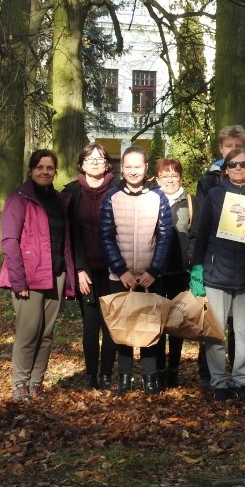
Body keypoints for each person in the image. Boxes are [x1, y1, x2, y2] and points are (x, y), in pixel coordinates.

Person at [190, 147, 245, 401]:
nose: (237, 168)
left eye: (243, 164)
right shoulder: (214, 194)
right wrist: (198, 268)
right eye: (232, 164)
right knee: (215, 332)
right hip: (216, 272)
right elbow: (201, 234)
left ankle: (242, 380)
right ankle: (219, 382)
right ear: (225, 169)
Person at [0, 149, 76, 402]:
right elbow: (10, 242)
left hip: (55, 274)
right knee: (28, 333)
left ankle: (36, 382)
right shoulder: (19, 199)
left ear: (55, 171)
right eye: (40, 167)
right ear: (31, 170)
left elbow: (65, 241)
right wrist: (18, 280)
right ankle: (20, 384)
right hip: (29, 278)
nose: (45, 171)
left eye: (50, 167)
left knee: (46, 334)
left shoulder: (59, 200)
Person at [100, 146, 173, 395]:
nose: (133, 171)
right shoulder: (111, 197)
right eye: (128, 166)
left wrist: (154, 270)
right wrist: (121, 271)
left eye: (137, 166)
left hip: (150, 276)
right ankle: (124, 377)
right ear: (122, 167)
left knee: (150, 327)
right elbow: (106, 237)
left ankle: (150, 378)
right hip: (119, 276)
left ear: (145, 169)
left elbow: (165, 237)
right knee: (123, 328)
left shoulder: (158, 198)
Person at [63, 143, 117, 391]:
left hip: (114, 269)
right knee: (91, 323)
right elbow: (71, 235)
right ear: (82, 164)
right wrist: (80, 269)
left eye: (100, 158)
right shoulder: (71, 193)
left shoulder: (119, 189)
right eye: (90, 158)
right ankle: (91, 375)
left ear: (107, 164)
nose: (95, 162)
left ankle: (107, 374)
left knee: (111, 323)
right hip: (86, 270)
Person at [153, 158, 196, 388]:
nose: (170, 179)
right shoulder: (151, 199)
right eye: (164, 175)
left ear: (180, 177)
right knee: (158, 323)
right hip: (156, 272)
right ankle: (159, 368)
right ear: (157, 178)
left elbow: (195, 234)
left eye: (174, 175)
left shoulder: (190, 201)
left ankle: (174, 369)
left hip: (180, 272)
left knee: (176, 323)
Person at [196, 125, 245, 199]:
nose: (233, 150)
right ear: (221, 148)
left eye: (238, 146)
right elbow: (201, 209)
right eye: (228, 146)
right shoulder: (208, 182)